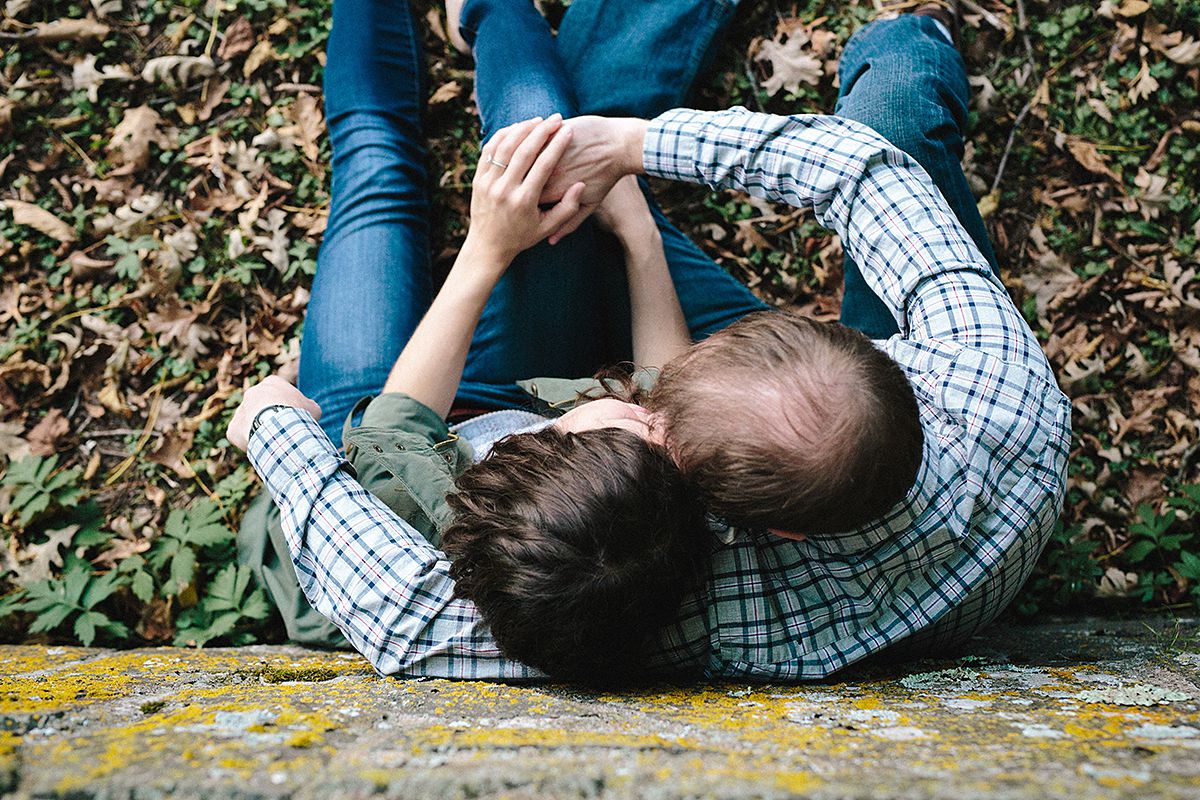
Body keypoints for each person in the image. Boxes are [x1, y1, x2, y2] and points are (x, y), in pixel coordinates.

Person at [232, 0, 1072, 681]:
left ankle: (501, 21)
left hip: (383, 427)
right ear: (829, 334)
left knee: (440, 160)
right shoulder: (988, 372)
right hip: (903, 415)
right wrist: (630, 153)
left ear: (754, 527)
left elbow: (408, 613)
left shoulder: (659, 594)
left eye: (658, 424)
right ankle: (911, 33)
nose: (631, 404)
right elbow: (863, 170)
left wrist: (278, 431)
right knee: (890, 123)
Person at [232, 0, 769, 683]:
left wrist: (488, 245)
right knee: (545, 156)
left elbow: (394, 430)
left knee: (376, 169)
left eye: (635, 421)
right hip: (502, 401)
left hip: (349, 444)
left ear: (534, 454)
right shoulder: (644, 541)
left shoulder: (413, 518)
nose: (655, 412)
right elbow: (659, 389)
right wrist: (639, 238)